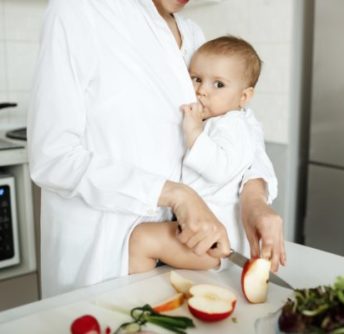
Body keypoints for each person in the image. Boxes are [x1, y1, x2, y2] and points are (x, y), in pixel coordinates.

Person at [28, 0, 285, 298]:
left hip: (177, 266)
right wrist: (175, 195)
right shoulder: (79, 11)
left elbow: (239, 126)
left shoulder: (193, 35)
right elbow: (53, 158)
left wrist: (254, 200)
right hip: (102, 261)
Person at [129, 36, 274, 272]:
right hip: (207, 233)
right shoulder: (220, 120)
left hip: (214, 240)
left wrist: (194, 132)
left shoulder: (232, 125)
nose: (201, 91)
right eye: (196, 79)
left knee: (141, 239)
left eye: (218, 85)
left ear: (244, 97)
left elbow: (220, 169)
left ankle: (133, 297)